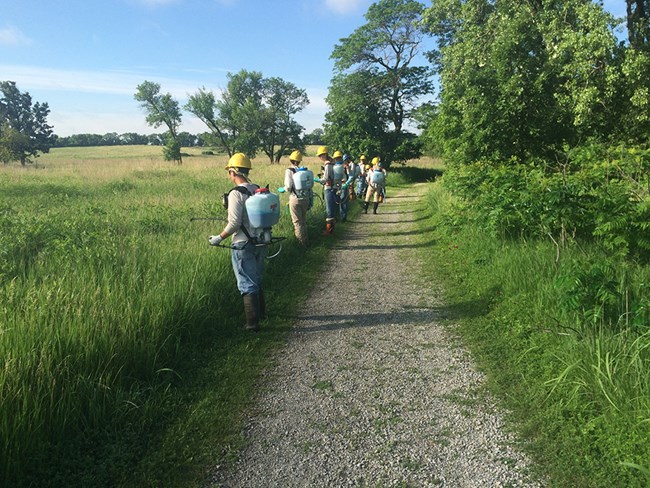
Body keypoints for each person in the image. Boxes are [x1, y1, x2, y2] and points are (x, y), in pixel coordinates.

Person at [208, 152, 265, 331]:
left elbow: (234, 223)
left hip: (242, 243)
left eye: (229, 172)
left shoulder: (235, 194)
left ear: (233, 172)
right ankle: (262, 313)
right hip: (260, 241)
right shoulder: (256, 188)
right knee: (256, 278)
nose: (229, 176)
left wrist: (218, 238)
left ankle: (252, 324)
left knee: (246, 282)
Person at [282, 150, 311, 246]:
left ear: (291, 160)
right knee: (303, 221)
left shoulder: (289, 171)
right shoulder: (303, 171)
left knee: (297, 223)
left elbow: (288, 186)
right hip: (305, 199)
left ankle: (300, 244)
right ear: (299, 161)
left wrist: (283, 189)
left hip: (295, 199)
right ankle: (306, 241)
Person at [315, 145, 337, 235]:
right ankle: (332, 229)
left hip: (329, 188)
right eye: (319, 156)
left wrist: (316, 180)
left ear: (325, 154)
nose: (320, 157)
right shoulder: (333, 162)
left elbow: (325, 179)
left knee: (329, 209)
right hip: (334, 187)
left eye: (321, 155)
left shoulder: (327, 164)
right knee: (332, 207)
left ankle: (328, 231)